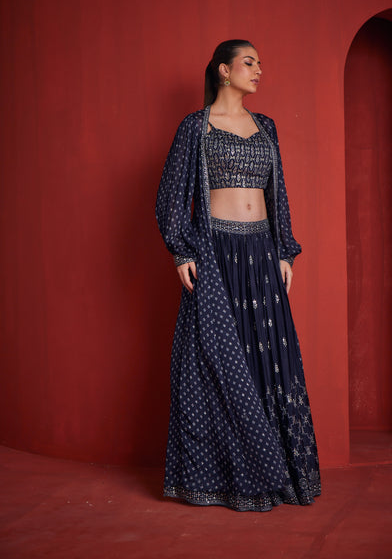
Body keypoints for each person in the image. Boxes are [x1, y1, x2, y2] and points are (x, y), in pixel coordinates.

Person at [155, 39, 321, 512]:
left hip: (262, 253)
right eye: (249, 62)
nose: (259, 70)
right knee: (215, 359)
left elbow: (277, 193)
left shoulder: (266, 127)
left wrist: (284, 250)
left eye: (260, 64)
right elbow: (171, 193)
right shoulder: (197, 126)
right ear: (224, 71)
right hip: (216, 253)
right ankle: (229, 476)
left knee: (269, 357)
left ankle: (279, 471)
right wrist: (181, 251)